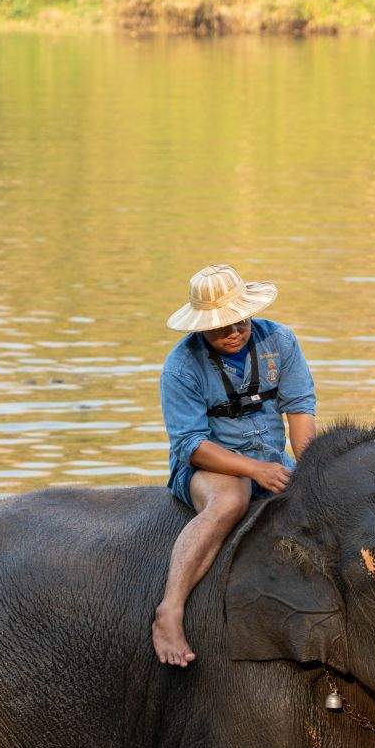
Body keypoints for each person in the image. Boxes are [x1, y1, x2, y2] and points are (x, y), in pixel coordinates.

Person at [152, 264, 318, 666]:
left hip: (271, 459)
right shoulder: (181, 367)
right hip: (211, 466)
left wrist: (312, 473)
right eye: (219, 327)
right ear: (201, 328)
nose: (232, 333)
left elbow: (299, 413)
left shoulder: (280, 341)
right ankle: (169, 611)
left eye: (238, 323)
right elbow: (191, 444)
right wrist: (253, 471)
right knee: (232, 499)